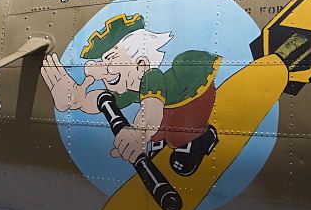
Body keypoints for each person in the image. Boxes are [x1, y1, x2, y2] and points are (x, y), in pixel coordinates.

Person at [41, 13, 220, 176]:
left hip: (191, 98)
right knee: (158, 130)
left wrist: (140, 133)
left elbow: (152, 109)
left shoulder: (152, 76)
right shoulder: (130, 89)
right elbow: (103, 100)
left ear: (141, 63)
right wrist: (77, 100)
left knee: (177, 131)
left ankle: (202, 137)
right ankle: (163, 137)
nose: (97, 70)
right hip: (166, 107)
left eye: (110, 59)